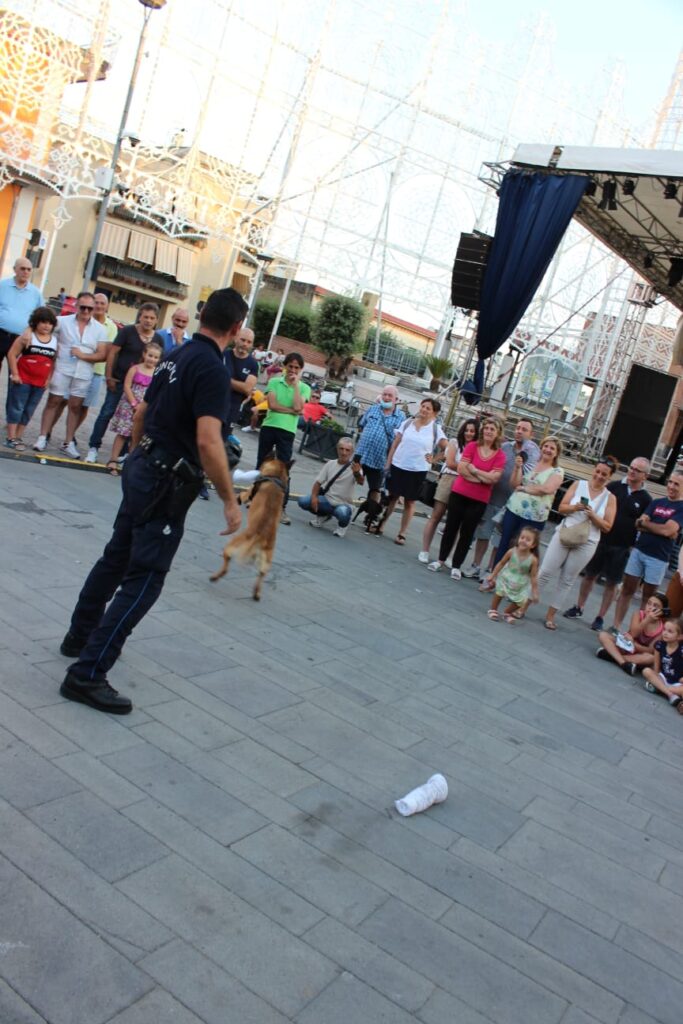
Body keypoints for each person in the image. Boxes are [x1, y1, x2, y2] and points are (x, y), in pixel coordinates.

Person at [58, 287, 246, 715]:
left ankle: (80, 636)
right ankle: (88, 673)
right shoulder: (213, 370)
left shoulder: (176, 355)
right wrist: (229, 500)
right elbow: (208, 439)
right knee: (145, 578)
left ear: (202, 316)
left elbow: (142, 412)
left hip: (143, 467)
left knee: (116, 557)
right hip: (164, 483)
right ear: (235, 329)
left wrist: (139, 454)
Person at [564, 457, 652, 629]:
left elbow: (643, 524)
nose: (632, 471)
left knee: (612, 582)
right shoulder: (614, 487)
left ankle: (600, 617)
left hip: (622, 546)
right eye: (631, 467)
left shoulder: (646, 499)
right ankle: (579, 606)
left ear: (645, 476)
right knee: (590, 574)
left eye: (637, 470)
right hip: (600, 538)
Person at [536, 459, 617, 631]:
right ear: (594, 470)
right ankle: (523, 603)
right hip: (565, 532)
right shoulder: (579, 484)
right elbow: (561, 507)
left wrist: (593, 515)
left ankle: (551, 614)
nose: (599, 476)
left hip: (588, 541)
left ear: (609, 477)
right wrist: (575, 507)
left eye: (604, 474)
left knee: (567, 579)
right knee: (545, 571)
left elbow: (608, 526)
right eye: (598, 471)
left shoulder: (610, 498)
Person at [480, 436, 565, 591]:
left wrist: (525, 489)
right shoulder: (531, 463)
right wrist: (518, 467)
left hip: (534, 517)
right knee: (504, 544)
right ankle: (493, 579)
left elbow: (547, 489)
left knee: (526, 551)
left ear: (556, 453)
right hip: (514, 509)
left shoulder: (557, 471)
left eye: (552, 448)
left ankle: (516, 586)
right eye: (546, 446)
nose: (548, 450)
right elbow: (514, 484)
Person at [427, 416, 506, 579]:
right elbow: (462, 469)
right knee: (451, 527)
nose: (489, 431)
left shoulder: (500, 456)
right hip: (459, 493)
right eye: (487, 428)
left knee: (467, 532)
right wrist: (483, 478)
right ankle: (441, 560)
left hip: (479, 499)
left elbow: (495, 479)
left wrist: (475, 471)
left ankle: (456, 565)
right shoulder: (471, 446)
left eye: (492, 429)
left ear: (498, 433)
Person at [85, 302, 164, 464]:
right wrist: (109, 376)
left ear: (156, 320)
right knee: (107, 413)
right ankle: (94, 447)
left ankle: (123, 453)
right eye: (145, 317)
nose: (148, 321)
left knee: (135, 421)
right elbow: (113, 353)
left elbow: (160, 363)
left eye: (152, 318)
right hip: (120, 381)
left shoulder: (158, 339)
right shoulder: (127, 331)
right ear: (140, 317)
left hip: (142, 390)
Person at [33, 292, 108, 458]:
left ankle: (68, 442)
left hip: (84, 373)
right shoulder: (62, 321)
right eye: (83, 307)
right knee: (53, 401)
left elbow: (103, 354)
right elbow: (44, 333)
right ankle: (42, 436)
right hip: (62, 368)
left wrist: (84, 355)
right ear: (77, 306)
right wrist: (53, 348)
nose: (86, 311)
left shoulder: (100, 329)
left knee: (76, 406)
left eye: (90, 308)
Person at [464, 418, 540, 582]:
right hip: (493, 496)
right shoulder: (504, 447)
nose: (519, 431)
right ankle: (476, 565)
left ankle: (491, 569)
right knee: (483, 532)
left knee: (500, 539)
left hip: (512, 503)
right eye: (518, 427)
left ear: (531, 434)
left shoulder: (534, 454)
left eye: (524, 429)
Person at [611, 473, 683, 633]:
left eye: (676, 484)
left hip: (658, 558)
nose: (671, 486)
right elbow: (639, 523)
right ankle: (615, 626)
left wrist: (648, 524)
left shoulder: (682, 507)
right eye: (670, 482)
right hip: (639, 550)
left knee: (649, 598)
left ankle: (637, 632)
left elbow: (667, 530)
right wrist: (660, 528)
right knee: (627, 590)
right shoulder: (657, 502)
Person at [374, 398, 447, 544]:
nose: (424, 410)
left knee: (410, 501)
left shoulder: (435, 429)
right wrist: (388, 464)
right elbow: (395, 445)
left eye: (428, 408)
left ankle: (402, 533)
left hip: (417, 469)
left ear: (434, 413)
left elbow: (447, 448)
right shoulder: (407, 423)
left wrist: (434, 459)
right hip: (398, 465)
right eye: (423, 406)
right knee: (392, 497)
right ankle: (382, 524)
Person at [257, 351, 311, 525]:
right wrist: (293, 411)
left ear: (300, 369)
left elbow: (298, 405)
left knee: (283, 470)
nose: (293, 370)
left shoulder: (304, 388)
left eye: (296, 367)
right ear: (285, 366)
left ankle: (281, 508)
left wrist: (295, 386)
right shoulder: (274, 382)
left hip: (287, 431)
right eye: (290, 366)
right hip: (269, 426)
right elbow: (272, 405)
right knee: (262, 463)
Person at [418, 417, 479, 564]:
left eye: (472, 431)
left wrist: (468, 469)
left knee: (456, 522)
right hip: (449, 479)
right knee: (436, 516)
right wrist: (468, 468)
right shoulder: (454, 442)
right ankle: (424, 550)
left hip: (465, 483)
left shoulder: (478, 448)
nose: (468, 433)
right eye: (467, 430)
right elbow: (450, 463)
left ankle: (448, 556)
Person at [5, 306, 58, 449]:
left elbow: (53, 362)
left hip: (39, 383)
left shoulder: (54, 341)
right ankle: (11, 437)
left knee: (29, 410)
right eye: (43, 322)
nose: (46, 326)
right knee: (17, 408)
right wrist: (15, 374)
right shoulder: (27, 337)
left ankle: (18, 436)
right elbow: (11, 354)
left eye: (49, 323)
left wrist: (48, 380)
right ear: (36, 322)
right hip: (23, 380)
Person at [354, 386, 405, 530]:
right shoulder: (373, 409)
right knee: (349, 479)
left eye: (390, 396)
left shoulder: (401, 417)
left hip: (380, 459)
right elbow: (362, 425)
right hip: (362, 454)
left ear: (396, 399)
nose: (387, 398)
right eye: (385, 394)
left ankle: (370, 516)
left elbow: (399, 441)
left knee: (375, 489)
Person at [106, 341, 162, 474]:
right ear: (144, 354)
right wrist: (133, 404)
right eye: (150, 355)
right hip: (129, 405)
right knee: (123, 433)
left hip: (144, 408)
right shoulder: (135, 368)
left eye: (155, 357)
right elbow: (127, 386)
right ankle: (113, 460)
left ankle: (130, 463)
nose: (152, 359)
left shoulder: (157, 373)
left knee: (137, 436)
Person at [297, 436, 364, 537]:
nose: (344, 452)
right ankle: (324, 515)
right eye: (341, 449)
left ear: (351, 452)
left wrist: (357, 473)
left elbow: (361, 482)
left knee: (343, 513)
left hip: (343, 503)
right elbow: (318, 482)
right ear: (337, 449)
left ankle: (342, 526)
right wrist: (314, 497)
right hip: (327, 500)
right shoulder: (330, 464)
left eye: (347, 450)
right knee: (304, 501)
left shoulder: (356, 468)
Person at [595, 593, 667, 676]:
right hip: (625, 646)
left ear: (662, 611)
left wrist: (634, 644)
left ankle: (613, 656)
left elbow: (650, 650)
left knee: (651, 658)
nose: (650, 607)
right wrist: (646, 620)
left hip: (639, 653)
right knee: (603, 635)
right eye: (649, 603)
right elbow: (634, 633)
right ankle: (623, 663)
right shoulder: (638, 614)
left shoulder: (662, 629)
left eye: (655, 606)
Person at [0, 258, 44, 381]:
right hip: (1, 334)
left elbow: (40, 316)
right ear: (15, 270)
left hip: (21, 339)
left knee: (16, 375)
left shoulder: (36, 293)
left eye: (29, 269)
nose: (26, 272)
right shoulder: (2, 286)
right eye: (22, 268)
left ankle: (12, 401)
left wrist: (30, 329)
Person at [487, 527, 540, 623]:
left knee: (521, 601)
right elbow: (501, 563)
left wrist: (535, 592)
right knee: (499, 593)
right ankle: (493, 609)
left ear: (533, 545)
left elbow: (533, 576)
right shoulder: (512, 551)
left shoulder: (533, 559)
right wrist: (493, 575)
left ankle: (507, 612)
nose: (523, 541)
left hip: (521, 583)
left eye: (528, 540)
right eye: (522, 537)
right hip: (506, 577)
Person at [642, 616, 683, 711]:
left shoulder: (681, 650)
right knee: (647, 671)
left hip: (677, 683)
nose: (665, 633)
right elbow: (656, 668)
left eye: (670, 631)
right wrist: (656, 675)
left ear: (680, 636)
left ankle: (658, 688)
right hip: (663, 678)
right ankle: (670, 695)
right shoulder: (659, 645)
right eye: (664, 629)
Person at [223, 326, 258, 432]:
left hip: (233, 408)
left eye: (249, 342)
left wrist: (223, 378)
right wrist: (239, 385)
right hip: (215, 402)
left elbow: (247, 389)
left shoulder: (253, 364)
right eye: (243, 340)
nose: (245, 344)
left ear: (252, 344)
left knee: (223, 440)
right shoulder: (223, 354)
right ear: (236, 338)